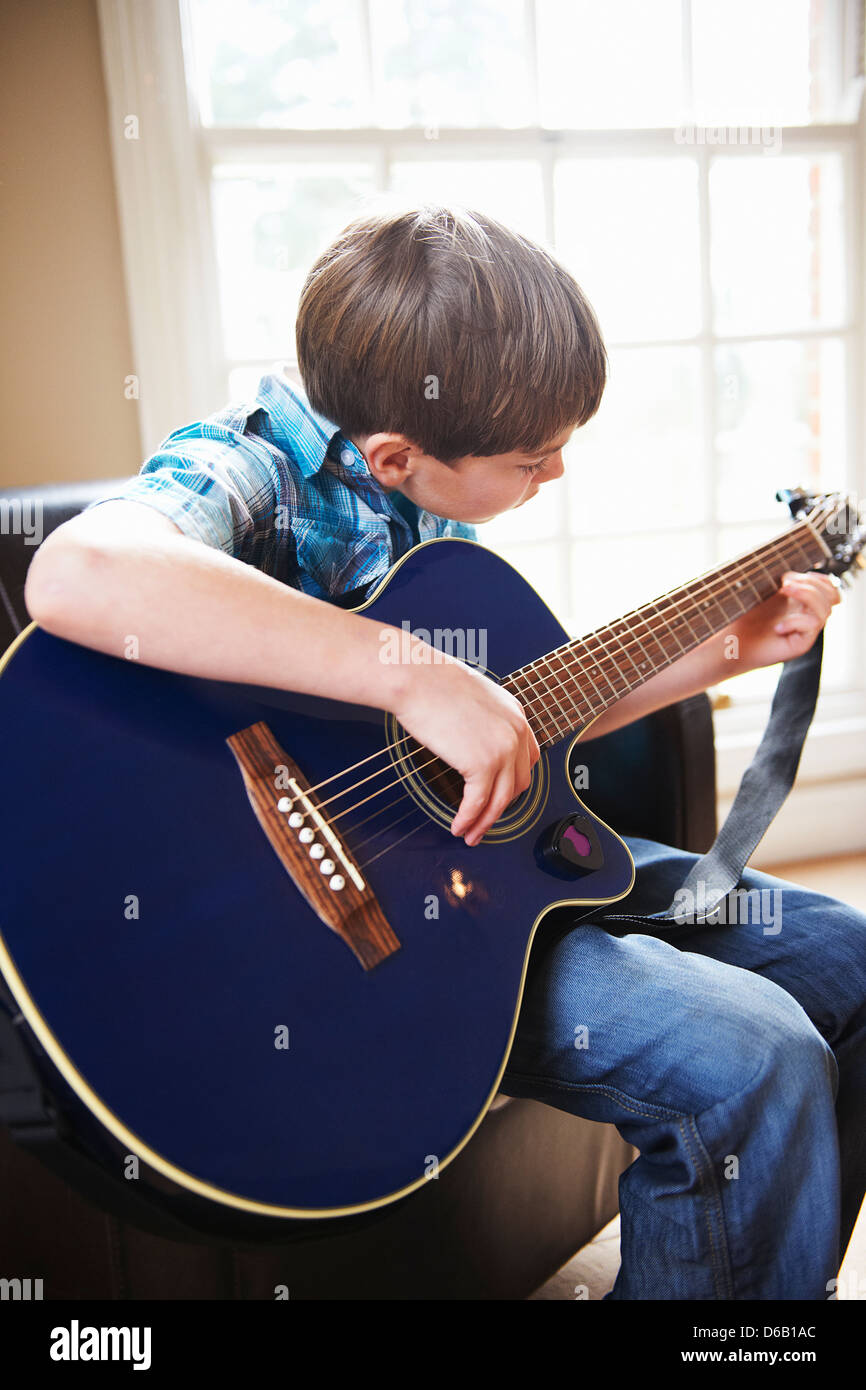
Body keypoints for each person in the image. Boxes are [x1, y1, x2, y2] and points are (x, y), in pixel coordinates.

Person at [24, 204, 865, 1300]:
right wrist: (411, 677)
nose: (554, 473)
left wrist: (728, 648)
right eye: (532, 458)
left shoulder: (429, 510)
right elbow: (79, 574)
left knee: (844, 959)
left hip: (473, 888)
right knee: (752, 1055)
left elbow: (513, 723)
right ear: (394, 451)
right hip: (350, 951)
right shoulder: (249, 467)